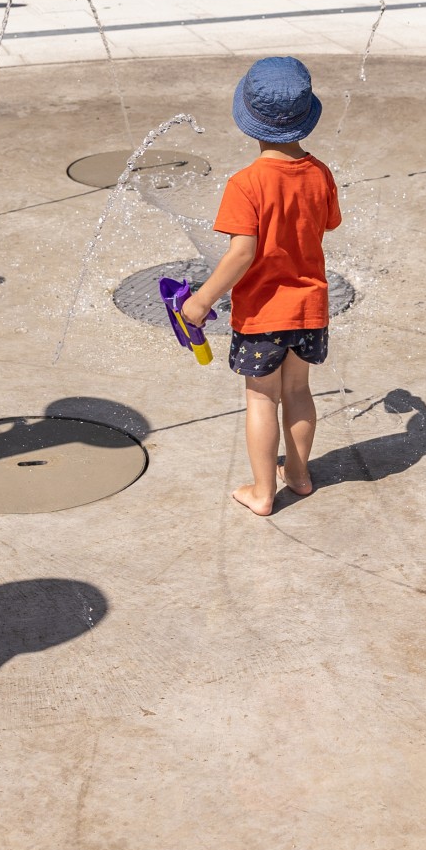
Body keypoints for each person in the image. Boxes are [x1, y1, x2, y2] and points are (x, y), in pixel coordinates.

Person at [179, 57, 343, 518]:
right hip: (310, 307)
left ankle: (262, 490)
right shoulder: (319, 173)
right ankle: (300, 475)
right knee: (298, 392)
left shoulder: (246, 183)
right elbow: (327, 223)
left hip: (263, 314)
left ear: (249, 119)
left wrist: (201, 299)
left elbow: (241, 253)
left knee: (260, 399)